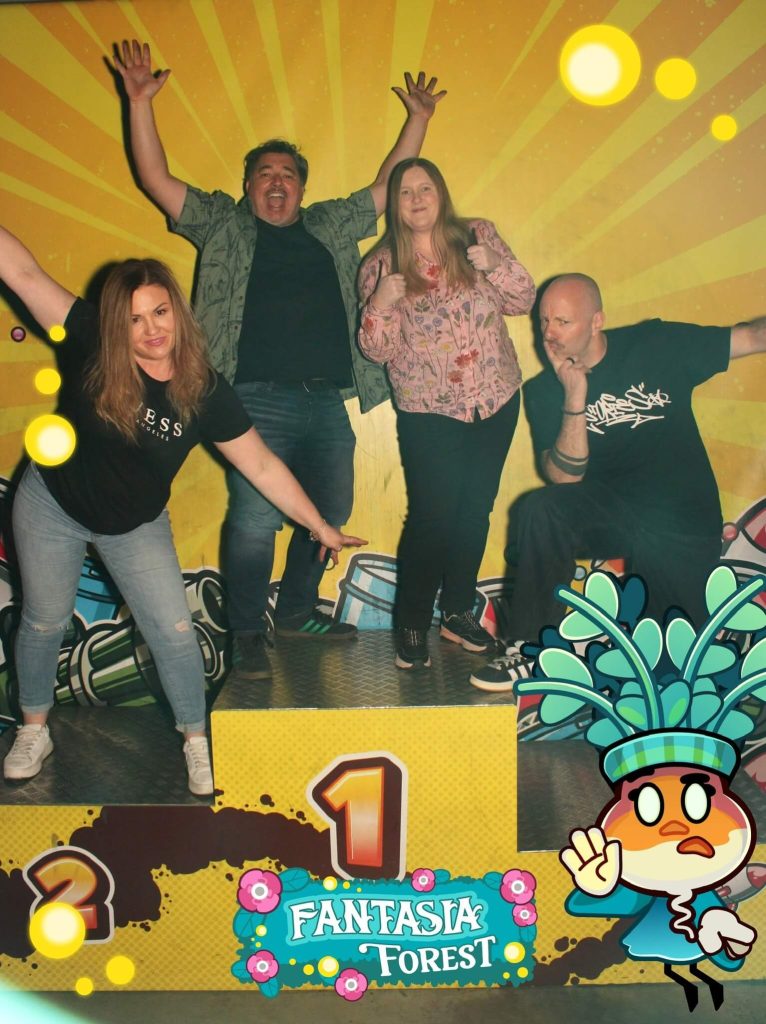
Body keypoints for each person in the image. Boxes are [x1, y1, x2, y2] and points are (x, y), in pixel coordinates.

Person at [113, 40, 445, 681]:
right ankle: (244, 633)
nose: (276, 183)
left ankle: (295, 610)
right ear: (248, 186)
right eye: (264, 174)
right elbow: (155, 179)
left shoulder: (328, 225)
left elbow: (386, 188)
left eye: (287, 175)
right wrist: (139, 104)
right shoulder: (222, 224)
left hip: (327, 398)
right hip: (251, 396)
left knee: (331, 510)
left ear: (301, 187)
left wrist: (419, 119)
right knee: (255, 518)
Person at [0, 224, 364, 794]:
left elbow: (261, 464)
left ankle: (196, 740)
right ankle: (34, 728)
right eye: (135, 319)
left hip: (134, 523)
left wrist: (319, 525)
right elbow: (22, 273)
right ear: (116, 323)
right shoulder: (91, 338)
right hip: (53, 504)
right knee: (43, 621)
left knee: (173, 632)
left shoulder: (203, 390)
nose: (151, 330)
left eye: (160, 313)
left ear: (178, 312)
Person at [470, 272, 766, 691]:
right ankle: (530, 650)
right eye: (544, 321)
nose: (549, 334)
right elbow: (564, 477)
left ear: (597, 321)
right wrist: (575, 396)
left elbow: (752, 337)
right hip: (614, 512)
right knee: (542, 508)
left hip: (681, 520)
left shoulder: (656, 345)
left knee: (671, 675)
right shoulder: (544, 390)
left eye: (563, 322)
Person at [357, 158, 535, 669]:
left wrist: (495, 265)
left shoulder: (477, 235)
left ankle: (457, 613)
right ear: (394, 204)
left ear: (441, 193)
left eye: (425, 188)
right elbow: (377, 351)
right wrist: (380, 303)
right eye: (405, 191)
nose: (416, 199)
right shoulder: (380, 265)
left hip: (496, 399)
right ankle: (411, 622)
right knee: (433, 517)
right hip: (429, 411)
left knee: (475, 511)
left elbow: (523, 300)